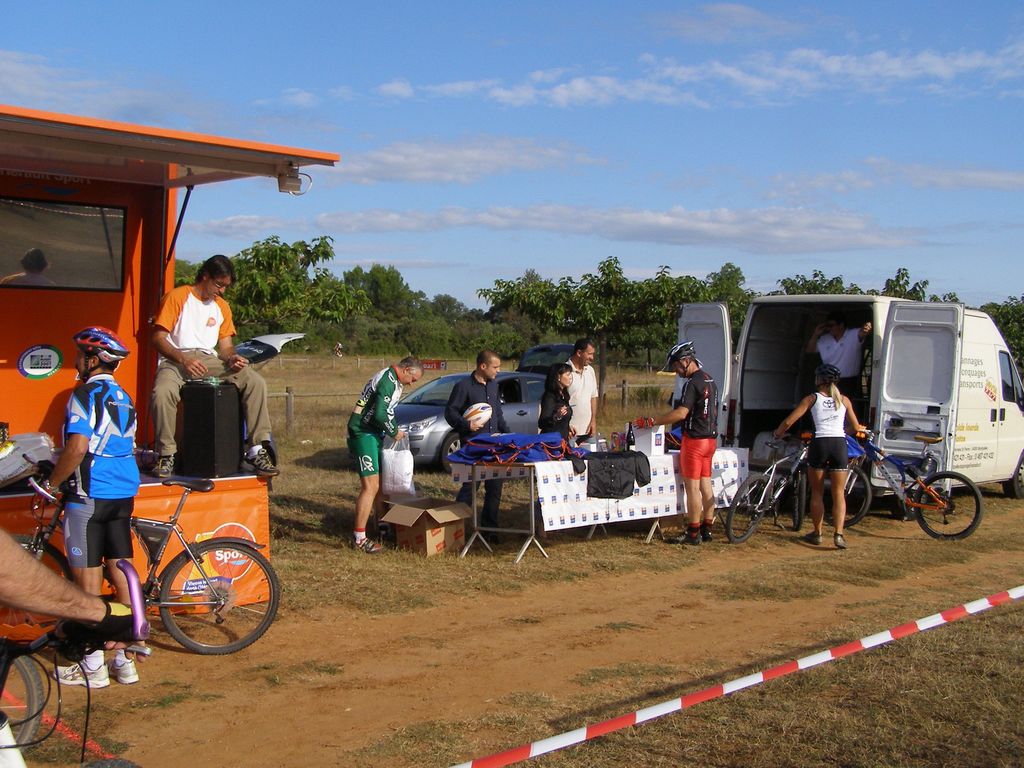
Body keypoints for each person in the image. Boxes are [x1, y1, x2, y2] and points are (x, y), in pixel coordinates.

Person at [43, 326, 144, 687]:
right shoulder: (124, 396)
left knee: (87, 584)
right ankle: (125, 660)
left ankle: (92, 664)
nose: (75, 361)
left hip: (89, 495)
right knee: (122, 575)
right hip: (122, 493)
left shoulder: (84, 395)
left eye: (79, 355)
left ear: (92, 359)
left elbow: (77, 447)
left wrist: (52, 483)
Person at [150, 254, 277, 479]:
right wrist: (183, 359)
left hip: (209, 359)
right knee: (162, 392)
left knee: (255, 381)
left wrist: (232, 358)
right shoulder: (178, 296)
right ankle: (166, 454)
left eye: (226, 286)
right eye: (219, 285)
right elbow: (158, 338)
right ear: (205, 276)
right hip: (175, 358)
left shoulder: (222, 306)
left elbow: (225, 347)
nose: (222, 291)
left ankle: (257, 448)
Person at [633, 341, 719, 546]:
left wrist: (653, 421)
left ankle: (693, 532)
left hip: (694, 441)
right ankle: (707, 528)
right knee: (706, 484)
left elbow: (681, 413)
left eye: (676, 367)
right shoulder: (709, 379)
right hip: (710, 440)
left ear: (686, 361)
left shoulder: (692, 383)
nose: (676, 372)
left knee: (693, 488)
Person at [773, 363, 864, 550]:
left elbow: (789, 421)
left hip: (820, 444)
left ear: (820, 380)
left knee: (817, 492)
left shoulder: (812, 399)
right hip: (839, 445)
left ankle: (818, 533)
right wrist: (840, 432)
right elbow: (855, 427)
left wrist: (778, 433)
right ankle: (839, 534)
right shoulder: (844, 400)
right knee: (839, 493)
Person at [347, 357, 423, 553]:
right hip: (363, 433)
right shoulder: (387, 381)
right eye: (413, 379)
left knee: (381, 484)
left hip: (374, 432)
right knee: (371, 486)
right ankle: (359, 538)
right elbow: (380, 414)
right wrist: (394, 432)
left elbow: (385, 411)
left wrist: (393, 429)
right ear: (406, 369)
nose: (412, 383)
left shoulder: (392, 380)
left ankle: (382, 525)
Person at [445, 350, 510, 532]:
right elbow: (450, 412)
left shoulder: (494, 386)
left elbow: (497, 414)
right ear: (483, 366)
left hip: (495, 447)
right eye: (495, 367)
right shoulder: (463, 386)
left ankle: (490, 530)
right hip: (473, 446)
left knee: (495, 488)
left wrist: (508, 435)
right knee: (470, 487)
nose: (498, 370)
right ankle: (455, 530)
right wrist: (467, 424)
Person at [806, 311, 872, 398]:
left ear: (841, 325)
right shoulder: (824, 339)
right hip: (829, 381)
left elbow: (863, 332)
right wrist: (815, 334)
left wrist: (867, 327)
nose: (829, 328)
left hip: (850, 382)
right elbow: (809, 350)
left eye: (831, 325)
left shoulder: (853, 334)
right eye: (827, 326)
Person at [566, 338, 598, 445]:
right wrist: (565, 426)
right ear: (579, 353)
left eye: (593, 354)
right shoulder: (564, 372)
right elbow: (558, 401)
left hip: (588, 431)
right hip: (570, 432)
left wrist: (593, 420)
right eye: (589, 354)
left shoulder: (590, 371)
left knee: (593, 456)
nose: (592, 358)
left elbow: (593, 396)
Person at [538, 363, 574, 441]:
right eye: (568, 374)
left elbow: (561, 422)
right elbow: (542, 423)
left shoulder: (563, 395)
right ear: (558, 377)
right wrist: (557, 416)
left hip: (563, 441)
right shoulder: (550, 396)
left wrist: (568, 428)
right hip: (551, 442)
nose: (570, 377)